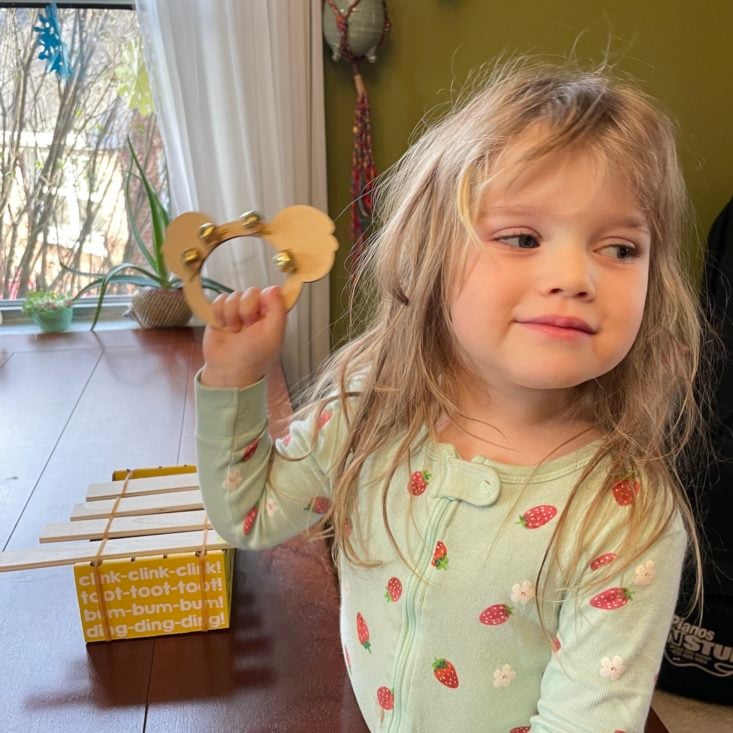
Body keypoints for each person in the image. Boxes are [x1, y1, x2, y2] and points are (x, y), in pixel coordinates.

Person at [194, 59, 710, 732]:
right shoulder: (369, 407)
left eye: (618, 247)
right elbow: (251, 513)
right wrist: (235, 379)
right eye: (522, 237)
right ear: (429, 255)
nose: (575, 275)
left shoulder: (621, 514)